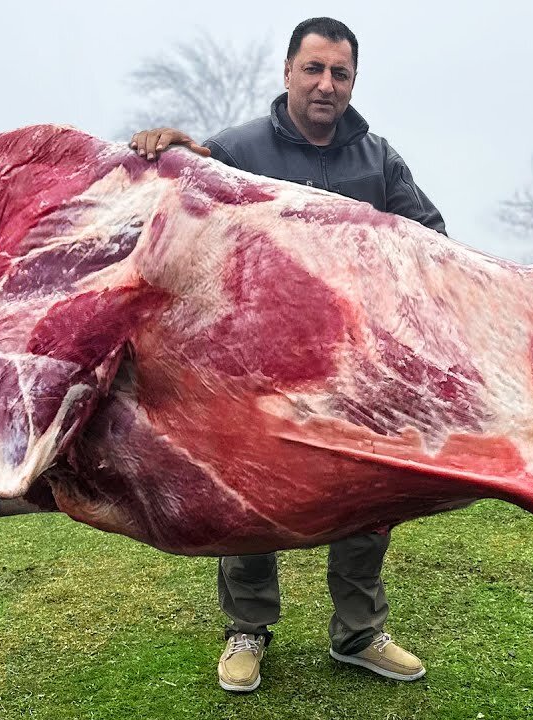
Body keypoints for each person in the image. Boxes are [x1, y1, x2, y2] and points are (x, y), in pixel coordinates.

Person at [130, 16, 446, 694]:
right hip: (251, 367)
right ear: (287, 71)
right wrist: (172, 152)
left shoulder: (378, 162)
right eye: (314, 69)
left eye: (340, 73)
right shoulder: (237, 148)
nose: (326, 84)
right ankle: (247, 629)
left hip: (355, 368)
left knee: (367, 492)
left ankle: (359, 631)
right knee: (248, 494)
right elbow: (172, 208)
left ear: (354, 81)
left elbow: (433, 243)